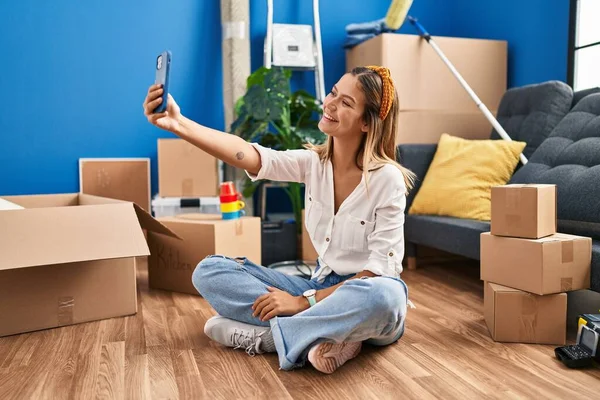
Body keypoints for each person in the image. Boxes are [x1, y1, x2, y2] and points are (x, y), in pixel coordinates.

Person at [143, 65, 416, 374]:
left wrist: (304, 303)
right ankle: (331, 336)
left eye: (346, 103)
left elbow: (377, 274)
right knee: (210, 270)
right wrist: (179, 124)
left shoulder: (387, 179)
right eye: (333, 93)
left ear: (367, 123)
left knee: (387, 296)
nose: (330, 104)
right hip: (319, 285)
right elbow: (248, 154)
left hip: (361, 294)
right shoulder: (313, 164)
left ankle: (271, 337)